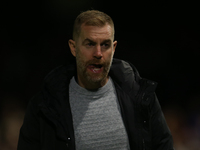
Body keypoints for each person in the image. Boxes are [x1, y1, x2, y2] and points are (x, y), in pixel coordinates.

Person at [17, 10, 174, 150]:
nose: (98, 53)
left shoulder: (141, 97)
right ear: (73, 47)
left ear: (114, 48)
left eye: (105, 45)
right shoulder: (45, 106)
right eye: (90, 44)